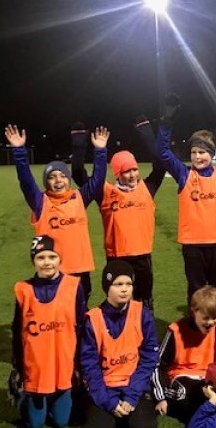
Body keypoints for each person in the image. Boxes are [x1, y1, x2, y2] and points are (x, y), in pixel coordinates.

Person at [157, 94, 216, 321]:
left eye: (203, 152)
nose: (198, 156)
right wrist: (166, 122)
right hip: (193, 246)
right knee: (197, 290)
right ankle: (196, 334)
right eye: (194, 152)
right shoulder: (184, 175)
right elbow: (163, 152)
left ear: (212, 153)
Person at [5, 124, 109, 300]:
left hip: (80, 271)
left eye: (62, 176)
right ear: (46, 183)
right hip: (52, 273)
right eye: (52, 177)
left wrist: (100, 150)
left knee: (80, 318)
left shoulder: (79, 198)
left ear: (68, 180)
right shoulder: (40, 203)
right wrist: (19, 150)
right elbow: (26, 181)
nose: (58, 181)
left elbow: (98, 180)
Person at [71, 116, 166, 309]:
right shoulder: (106, 192)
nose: (132, 175)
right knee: (118, 305)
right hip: (116, 258)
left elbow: (160, 164)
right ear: (117, 174)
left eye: (134, 169)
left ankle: (145, 338)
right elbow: (78, 173)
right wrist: (80, 142)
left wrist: (145, 131)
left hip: (142, 258)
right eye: (126, 171)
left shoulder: (147, 188)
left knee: (144, 304)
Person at [9, 235, 86, 428]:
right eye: (40, 258)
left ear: (60, 259)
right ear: (33, 261)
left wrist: (80, 365)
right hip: (35, 368)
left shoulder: (74, 286)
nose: (47, 263)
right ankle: (24, 396)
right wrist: (17, 367)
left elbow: (82, 328)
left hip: (63, 366)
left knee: (61, 422)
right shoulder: (23, 290)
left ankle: (55, 396)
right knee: (35, 425)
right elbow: (17, 331)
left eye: (52, 257)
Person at [79, 260, 159, 428]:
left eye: (129, 284)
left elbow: (149, 358)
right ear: (107, 287)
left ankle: (126, 413)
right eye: (118, 284)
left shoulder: (142, 313)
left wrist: (132, 396)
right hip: (105, 388)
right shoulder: (93, 319)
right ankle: (112, 413)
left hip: (133, 385)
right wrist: (108, 402)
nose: (124, 289)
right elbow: (89, 366)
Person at [152, 286, 216, 424]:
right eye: (205, 318)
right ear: (193, 312)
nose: (211, 322)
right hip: (182, 376)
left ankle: (198, 412)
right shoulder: (175, 331)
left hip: (208, 377)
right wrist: (160, 397)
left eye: (214, 317)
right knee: (183, 396)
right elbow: (158, 364)